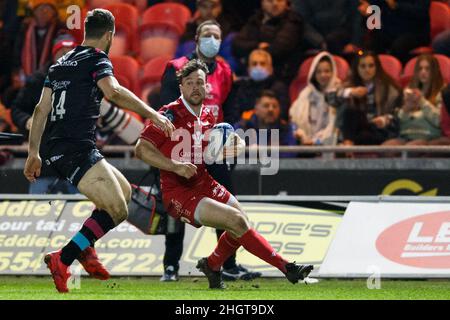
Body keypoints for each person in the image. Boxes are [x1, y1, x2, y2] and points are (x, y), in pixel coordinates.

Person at [23, 9, 174, 293]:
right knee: (118, 209)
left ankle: (86, 246)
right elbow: (113, 92)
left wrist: (33, 152)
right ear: (109, 35)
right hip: (73, 149)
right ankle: (63, 258)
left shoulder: (61, 63)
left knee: (124, 193)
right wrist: (153, 114)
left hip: (69, 147)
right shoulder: (97, 59)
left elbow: (40, 109)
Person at [135, 59, 313, 289]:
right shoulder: (168, 115)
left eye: (200, 82)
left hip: (203, 182)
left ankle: (212, 264)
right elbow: (141, 149)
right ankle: (286, 267)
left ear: (207, 85)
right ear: (181, 87)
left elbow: (213, 151)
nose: (195, 87)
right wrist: (175, 166)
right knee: (236, 222)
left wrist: (234, 145)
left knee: (241, 222)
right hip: (178, 191)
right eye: (189, 83)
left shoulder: (209, 115)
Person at [159, 19, 261, 282]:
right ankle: (171, 266)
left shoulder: (225, 71)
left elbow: (230, 107)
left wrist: (232, 135)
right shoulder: (176, 68)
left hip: (214, 147)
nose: (212, 40)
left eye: (217, 36)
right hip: (181, 147)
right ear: (196, 38)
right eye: (207, 35)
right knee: (176, 207)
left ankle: (227, 263)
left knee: (228, 204)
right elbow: (164, 111)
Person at [12, 35, 79, 194]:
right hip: (44, 166)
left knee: (83, 214)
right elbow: (16, 109)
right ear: (53, 54)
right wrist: (26, 120)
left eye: (71, 51)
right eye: (62, 51)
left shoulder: (85, 80)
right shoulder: (38, 80)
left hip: (76, 166)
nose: (66, 55)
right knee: (38, 213)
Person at [232, 0, 304, 83]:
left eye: (279, 0)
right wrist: (257, 46)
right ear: (262, 2)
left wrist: (250, 51)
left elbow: (278, 49)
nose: (275, 4)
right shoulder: (256, 19)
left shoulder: (293, 21)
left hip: (281, 76)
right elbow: (237, 44)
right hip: (251, 76)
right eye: (270, 0)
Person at [339, 51, 402, 146]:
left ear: (377, 67)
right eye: (363, 66)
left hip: (379, 131)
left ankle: (348, 145)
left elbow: (399, 113)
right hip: (356, 130)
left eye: (371, 66)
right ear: (357, 68)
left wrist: (385, 119)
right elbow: (330, 98)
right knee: (350, 111)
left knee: (365, 135)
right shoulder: (348, 86)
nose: (367, 70)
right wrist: (350, 92)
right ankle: (348, 143)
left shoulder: (389, 88)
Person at [383, 54, 445, 147]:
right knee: (386, 148)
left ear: (434, 71)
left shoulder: (443, 91)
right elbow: (400, 121)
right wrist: (406, 109)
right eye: (420, 69)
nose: (423, 72)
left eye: (427, 69)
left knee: (411, 147)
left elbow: (439, 121)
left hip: (429, 137)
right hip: (407, 135)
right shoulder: (409, 89)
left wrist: (422, 101)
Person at [290, 52, 340, 146]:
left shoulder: (339, 93)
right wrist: (301, 135)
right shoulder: (305, 94)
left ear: (333, 72)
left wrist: (316, 141)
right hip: (305, 144)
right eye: (319, 72)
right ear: (313, 73)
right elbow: (294, 119)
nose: (323, 75)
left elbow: (335, 126)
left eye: (327, 71)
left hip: (329, 146)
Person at [359, 0, 431, 64]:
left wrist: (397, 6)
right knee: (373, 41)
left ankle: (396, 72)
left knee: (399, 46)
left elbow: (422, 11)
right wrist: (368, 9)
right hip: (391, 30)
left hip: (415, 32)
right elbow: (375, 6)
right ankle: (376, 73)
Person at [231, 49, 290, 121]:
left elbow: (282, 114)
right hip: (245, 129)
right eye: (254, 64)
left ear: (271, 68)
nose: (258, 67)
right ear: (248, 69)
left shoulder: (279, 88)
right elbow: (235, 113)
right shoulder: (241, 87)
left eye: (262, 63)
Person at [235, 89, 296, 158]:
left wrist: (261, 153)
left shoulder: (285, 129)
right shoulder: (242, 127)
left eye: (275, 106)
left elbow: (290, 155)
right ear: (256, 109)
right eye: (266, 106)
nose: (271, 109)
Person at [292, 0, 363, 55]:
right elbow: (301, 20)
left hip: (342, 40)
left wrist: (354, 42)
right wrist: (320, 41)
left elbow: (356, 15)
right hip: (312, 43)